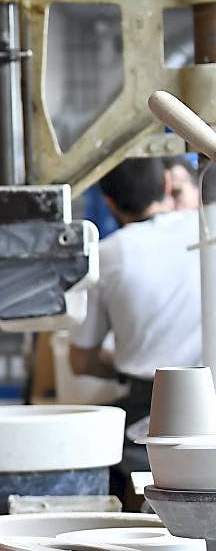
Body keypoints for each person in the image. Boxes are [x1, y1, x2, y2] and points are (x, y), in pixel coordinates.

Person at [70, 156, 201, 500]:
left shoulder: (105, 255)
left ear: (109, 202)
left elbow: (80, 362)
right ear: (168, 186)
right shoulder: (205, 231)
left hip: (151, 408)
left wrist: (121, 368)